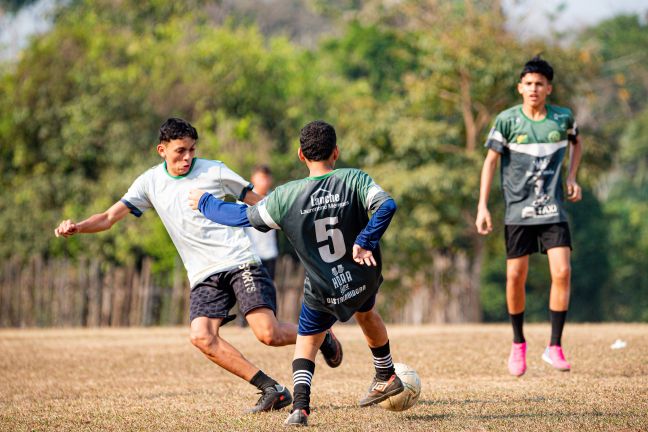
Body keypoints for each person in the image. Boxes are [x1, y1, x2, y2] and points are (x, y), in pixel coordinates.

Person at [54, 118, 342, 412]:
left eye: (192, 149)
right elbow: (107, 217)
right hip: (203, 275)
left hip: (240, 261)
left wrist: (303, 221)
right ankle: (272, 389)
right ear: (161, 150)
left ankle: (322, 334)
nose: (188, 157)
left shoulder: (214, 170)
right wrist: (78, 226)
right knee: (201, 336)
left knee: (269, 335)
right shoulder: (149, 183)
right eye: (180, 151)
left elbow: (261, 203)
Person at [189, 120, 402, 427]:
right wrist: (364, 241)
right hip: (361, 276)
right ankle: (386, 374)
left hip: (324, 287)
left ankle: (300, 407)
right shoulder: (354, 178)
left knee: (307, 340)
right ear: (336, 152)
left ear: (300, 155)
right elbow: (387, 206)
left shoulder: (286, 197)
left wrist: (205, 203)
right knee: (366, 312)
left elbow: (242, 217)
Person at [475, 56, 583, 377]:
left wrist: (572, 177)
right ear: (519, 88)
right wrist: (482, 206)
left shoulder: (562, 118)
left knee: (562, 272)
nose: (534, 88)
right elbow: (490, 163)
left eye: (540, 84)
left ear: (549, 88)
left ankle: (554, 346)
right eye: (529, 83)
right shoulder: (507, 121)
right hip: (518, 211)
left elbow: (577, 143)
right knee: (515, 277)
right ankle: (518, 343)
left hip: (553, 210)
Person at [245, 165, 279, 279]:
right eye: (260, 178)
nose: (263, 182)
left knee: (270, 290)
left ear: (270, 180)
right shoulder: (244, 200)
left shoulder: (274, 198)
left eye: (266, 178)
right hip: (251, 256)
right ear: (253, 179)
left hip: (270, 253)